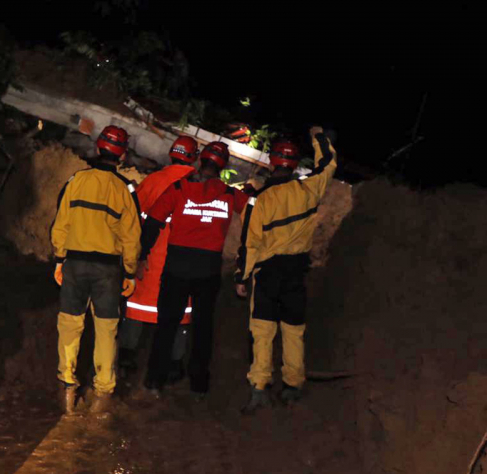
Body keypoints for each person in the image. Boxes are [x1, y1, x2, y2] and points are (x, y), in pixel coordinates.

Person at [236, 127, 338, 414]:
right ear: (294, 164)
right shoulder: (308, 188)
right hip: (295, 271)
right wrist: (318, 137)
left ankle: (259, 389)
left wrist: (241, 278)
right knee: (293, 331)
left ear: (271, 161)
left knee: (263, 331)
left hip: (267, 273)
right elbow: (328, 163)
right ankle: (293, 386)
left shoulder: (260, 200)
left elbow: (250, 245)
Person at [139, 140, 248, 398]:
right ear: (223, 167)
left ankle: (154, 381)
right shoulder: (230, 194)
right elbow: (257, 214)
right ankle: (199, 384)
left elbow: (153, 223)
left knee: (166, 325)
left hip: (177, 267)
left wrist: (142, 256)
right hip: (208, 270)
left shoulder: (179, 188)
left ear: (201, 160)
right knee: (203, 327)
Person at [51, 125, 141, 414]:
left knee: (69, 326)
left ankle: (67, 390)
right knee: (106, 330)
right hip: (108, 271)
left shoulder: (76, 181)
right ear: (122, 155)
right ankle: (102, 396)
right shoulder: (124, 190)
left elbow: (61, 224)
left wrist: (58, 259)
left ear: (98, 148)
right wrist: (129, 272)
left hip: (75, 265)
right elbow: (131, 237)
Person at [118, 136, 205, 384]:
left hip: (150, 261)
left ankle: (126, 360)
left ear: (170, 153)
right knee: (180, 314)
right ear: (194, 158)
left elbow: (133, 219)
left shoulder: (153, 181)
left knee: (136, 309)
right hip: (182, 263)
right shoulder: (199, 188)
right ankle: (175, 366)